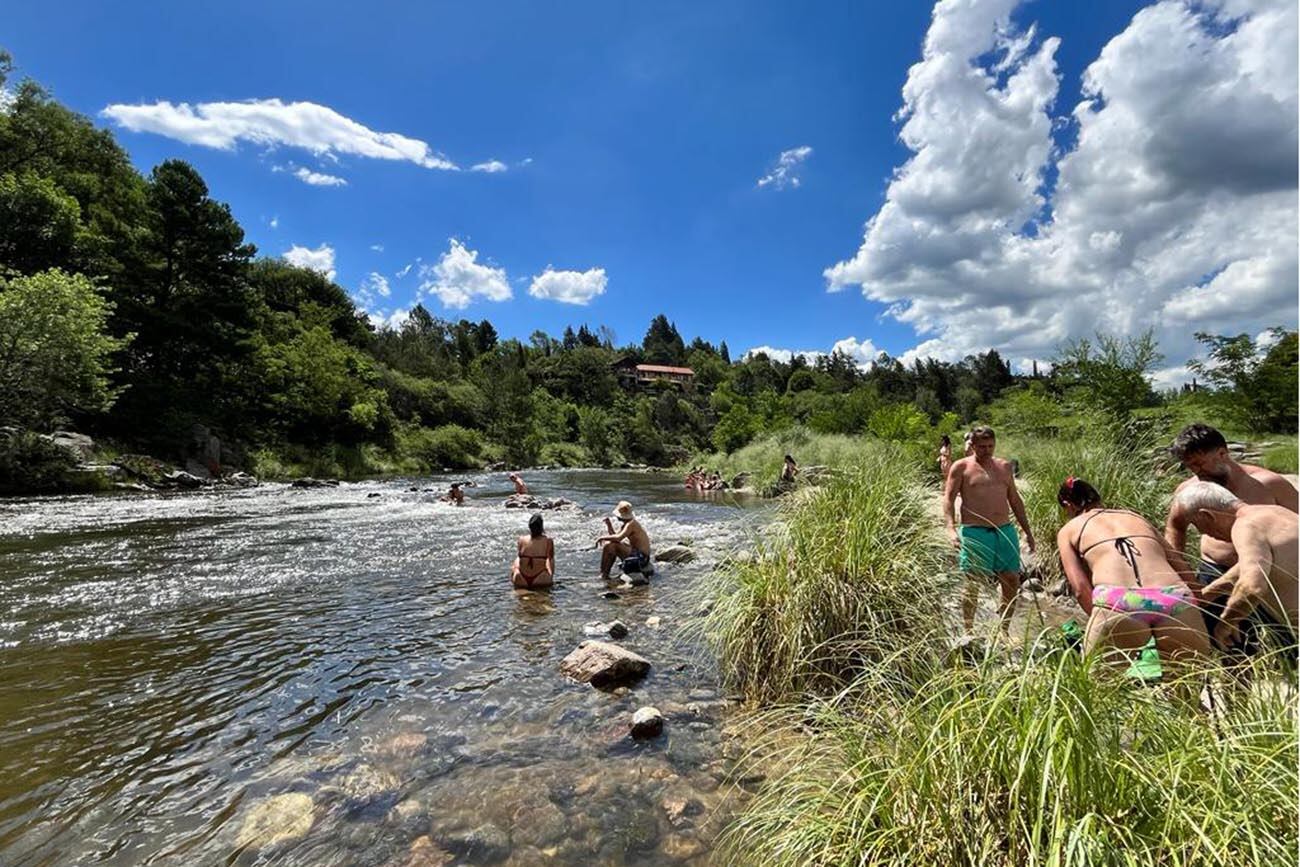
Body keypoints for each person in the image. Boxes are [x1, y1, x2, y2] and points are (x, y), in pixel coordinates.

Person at [1056, 477, 1210, 667]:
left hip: (1120, 601)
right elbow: (1183, 567)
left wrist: (1099, 619)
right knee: (1185, 692)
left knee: (1101, 692)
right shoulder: (1135, 517)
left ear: (1068, 505)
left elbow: (1080, 588)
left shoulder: (1069, 529)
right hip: (1174, 598)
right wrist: (1200, 613)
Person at [1164, 423, 1298, 589]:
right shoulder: (1189, 490)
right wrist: (1181, 574)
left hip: (1265, 572)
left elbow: (1296, 525)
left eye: (1200, 464)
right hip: (1212, 570)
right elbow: (1175, 526)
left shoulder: (1270, 484)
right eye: (1190, 466)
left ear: (1222, 453)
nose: (1196, 471)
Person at [1175, 481, 1297, 653]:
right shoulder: (1275, 513)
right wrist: (1206, 595)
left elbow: (1252, 586)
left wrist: (1226, 623)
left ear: (1207, 516)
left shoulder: (1245, 526)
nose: (1204, 534)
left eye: (1198, 526)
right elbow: (1258, 564)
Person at [943, 426, 1036, 633]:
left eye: (990, 446)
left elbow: (1015, 500)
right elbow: (948, 499)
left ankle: (1003, 629)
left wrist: (1027, 532)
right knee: (973, 582)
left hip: (1004, 530)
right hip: (975, 531)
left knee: (1011, 579)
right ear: (972, 446)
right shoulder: (961, 467)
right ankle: (968, 631)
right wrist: (950, 527)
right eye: (982, 446)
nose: (987, 450)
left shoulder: (1004, 467)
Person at [597, 500, 653, 579]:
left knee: (610, 546)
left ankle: (604, 574)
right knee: (611, 545)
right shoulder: (627, 525)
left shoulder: (631, 524)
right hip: (638, 555)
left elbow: (618, 538)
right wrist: (609, 525)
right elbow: (616, 537)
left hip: (642, 558)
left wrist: (602, 538)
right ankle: (604, 574)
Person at [511, 512, 555, 590]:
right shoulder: (548, 541)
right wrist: (550, 575)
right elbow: (550, 560)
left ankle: (514, 578)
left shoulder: (521, 539)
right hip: (540, 579)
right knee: (550, 558)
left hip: (521, 579)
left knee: (517, 558)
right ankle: (550, 579)